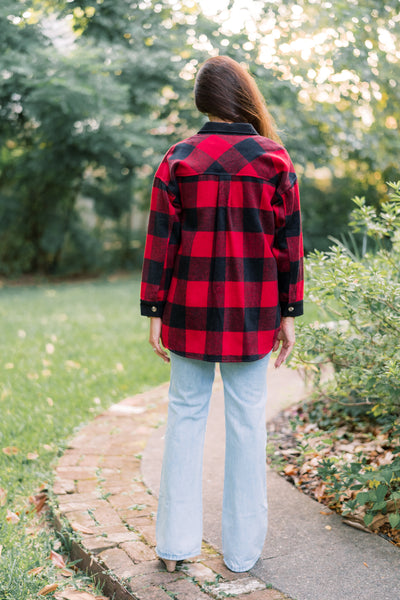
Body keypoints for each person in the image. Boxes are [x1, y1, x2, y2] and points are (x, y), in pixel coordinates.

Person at [140, 55, 304, 573]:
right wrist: (289, 313)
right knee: (246, 424)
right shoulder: (273, 160)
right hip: (253, 315)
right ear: (244, 97)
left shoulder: (179, 157)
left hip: (187, 312)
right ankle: (242, 552)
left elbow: (160, 242)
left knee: (184, 419)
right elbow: (289, 246)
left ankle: (175, 547)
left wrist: (153, 310)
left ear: (201, 102)